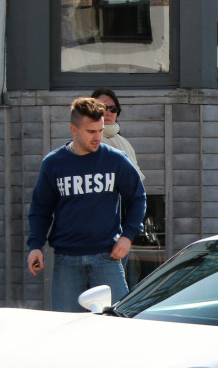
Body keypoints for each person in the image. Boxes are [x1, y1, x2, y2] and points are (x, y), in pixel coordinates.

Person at [27, 97, 145, 311]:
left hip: (107, 257)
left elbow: (137, 198)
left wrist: (128, 236)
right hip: (66, 260)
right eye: (91, 131)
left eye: (100, 130)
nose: (98, 137)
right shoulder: (54, 163)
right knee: (66, 326)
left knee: (118, 324)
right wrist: (35, 245)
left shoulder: (116, 159)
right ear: (74, 129)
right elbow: (40, 209)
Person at [91, 89, 145, 182]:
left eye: (113, 109)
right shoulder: (86, 143)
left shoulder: (124, 143)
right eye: (102, 108)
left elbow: (135, 178)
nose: (108, 113)